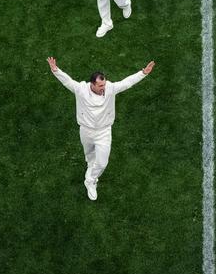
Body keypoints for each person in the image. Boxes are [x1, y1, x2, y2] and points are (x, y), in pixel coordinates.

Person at [47, 56, 155, 201]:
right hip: (86, 130)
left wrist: (143, 73)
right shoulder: (81, 90)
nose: (103, 88)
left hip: (104, 131)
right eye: (100, 86)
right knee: (90, 156)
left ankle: (90, 181)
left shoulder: (110, 89)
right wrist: (56, 70)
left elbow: (127, 82)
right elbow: (68, 81)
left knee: (102, 162)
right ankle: (91, 171)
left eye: (104, 85)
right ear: (92, 84)